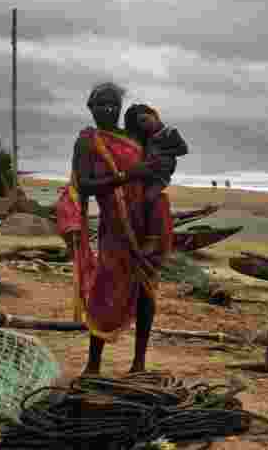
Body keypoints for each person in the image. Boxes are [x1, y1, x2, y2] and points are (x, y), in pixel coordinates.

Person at [55, 82, 176, 375]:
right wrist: (125, 176)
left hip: (146, 226)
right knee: (104, 291)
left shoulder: (134, 136)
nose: (106, 110)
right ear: (90, 108)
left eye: (112, 105)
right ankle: (93, 364)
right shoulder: (88, 140)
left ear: (119, 109)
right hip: (114, 227)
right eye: (100, 105)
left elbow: (162, 159)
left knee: (147, 292)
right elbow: (84, 185)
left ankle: (139, 363)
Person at [123, 104, 189, 202]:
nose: (144, 124)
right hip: (148, 174)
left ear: (153, 114)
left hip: (161, 178)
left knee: (147, 198)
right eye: (140, 123)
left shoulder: (169, 132)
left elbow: (184, 149)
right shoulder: (147, 136)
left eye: (145, 119)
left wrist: (162, 153)